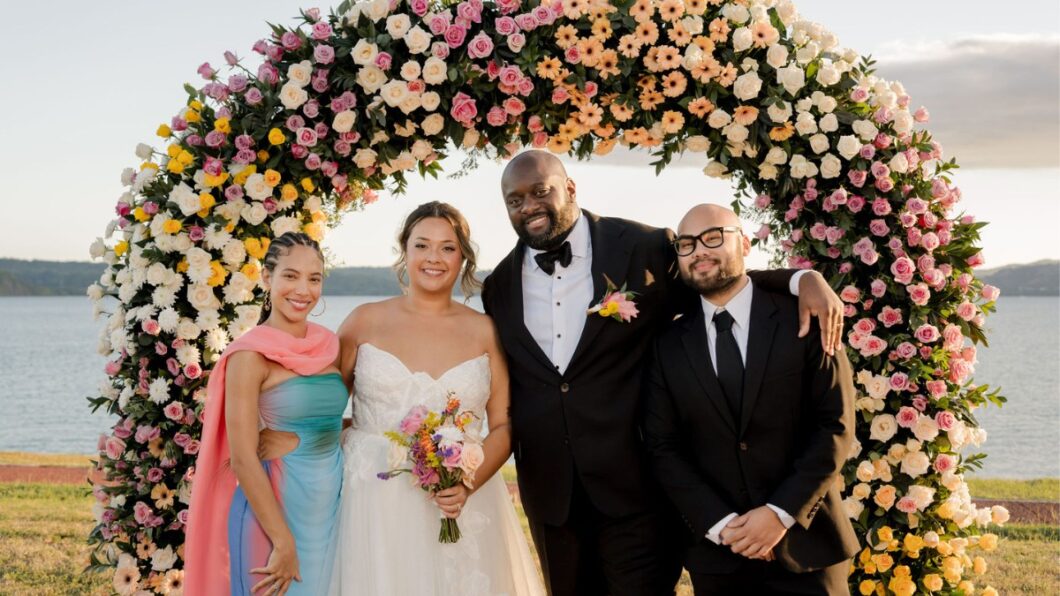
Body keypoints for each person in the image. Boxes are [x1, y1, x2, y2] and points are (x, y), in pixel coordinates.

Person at [480, 151, 845, 595]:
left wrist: (799, 280)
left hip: (636, 490)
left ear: (570, 188)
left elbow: (716, 280)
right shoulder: (498, 285)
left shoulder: (645, 246)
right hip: (551, 497)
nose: (528, 206)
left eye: (540, 191)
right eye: (514, 200)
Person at [327, 201, 544, 595]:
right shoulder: (363, 320)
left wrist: (466, 486)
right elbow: (323, 408)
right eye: (422, 245)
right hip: (372, 506)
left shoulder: (485, 331)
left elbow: (503, 424)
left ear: (463, 256)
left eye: (448, 247)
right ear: (404, 249)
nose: (434, 258)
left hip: (461, 502)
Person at [643, 204, 859, 595]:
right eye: (687, 244)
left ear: (743, 241)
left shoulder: (807, 316)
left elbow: (835, 425)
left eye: (713, 237)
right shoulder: (667, 344)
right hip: (720, 555)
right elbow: (663, 447)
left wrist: (779, 515)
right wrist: (722, 525)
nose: (699, 252)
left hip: (808, 549)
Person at [185, 232, 347, 595]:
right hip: (274, 517)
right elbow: (242, 458)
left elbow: (327, 421)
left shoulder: (327, 347)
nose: (303, 290)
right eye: (290, 276)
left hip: (329, 512)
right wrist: (283, 541)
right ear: (266, 278)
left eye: (314, 278)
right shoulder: (249, 355)